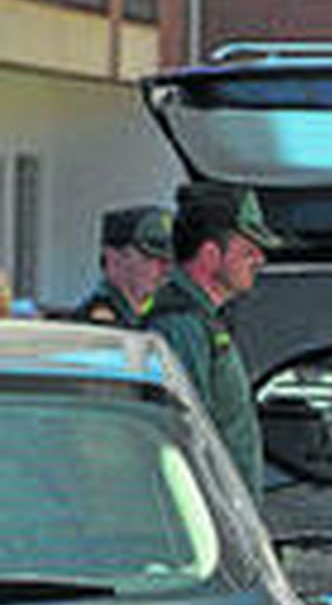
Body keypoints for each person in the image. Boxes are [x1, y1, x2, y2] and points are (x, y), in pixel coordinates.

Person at [143, 183, 283, 499]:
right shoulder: (182, 325)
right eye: (248, 251)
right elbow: (188, 435)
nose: (259, 260)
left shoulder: (201, 321)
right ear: (209, 255)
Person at [74, 205, 173, 326]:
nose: (165, 270)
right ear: (114, 260)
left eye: (167, 261)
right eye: (150, 258)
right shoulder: (99, 322)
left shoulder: (158, 315)